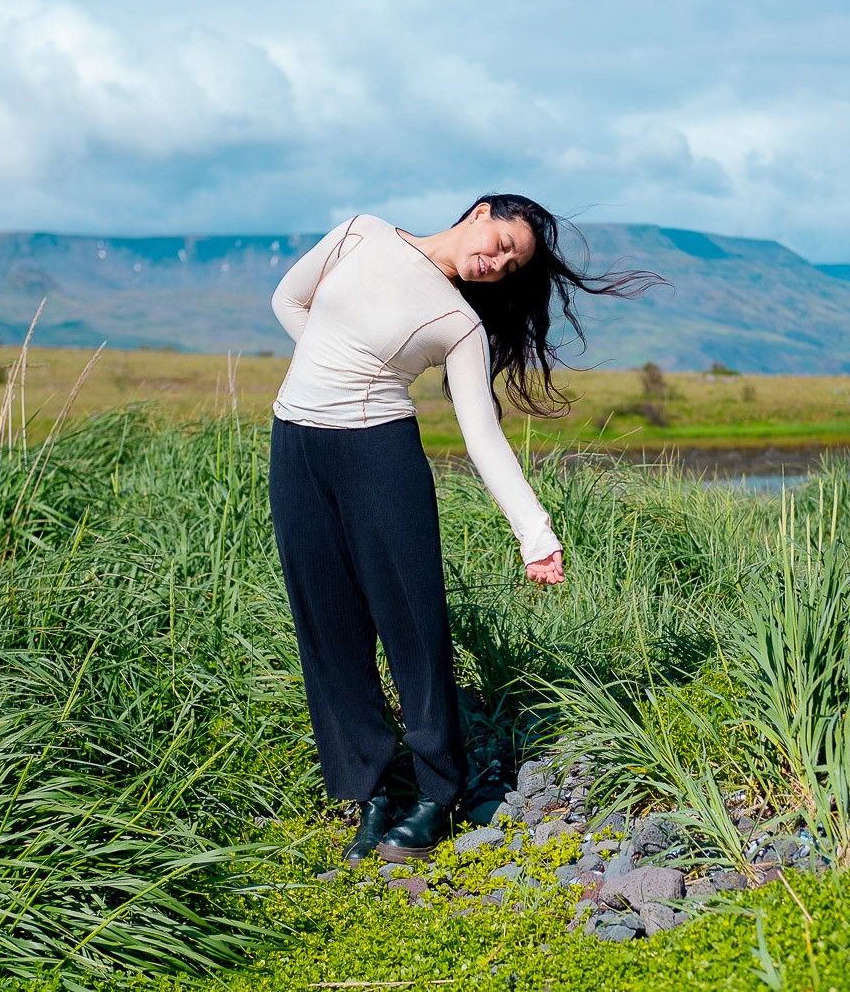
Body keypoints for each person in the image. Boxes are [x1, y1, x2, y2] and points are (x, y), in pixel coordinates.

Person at [268, 193, 659, 865]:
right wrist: (334, 366)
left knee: (412, 628)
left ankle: (437, 793)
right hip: (296, 444)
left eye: (512, 266)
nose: (498, 264)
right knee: (326, 626)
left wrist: (535, 532)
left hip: (379, 456)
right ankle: (370, 791)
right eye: (504, 245)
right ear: (480, 213)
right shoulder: (359, 233)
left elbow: (482, 435)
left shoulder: (459, 323)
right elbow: (288, 299)